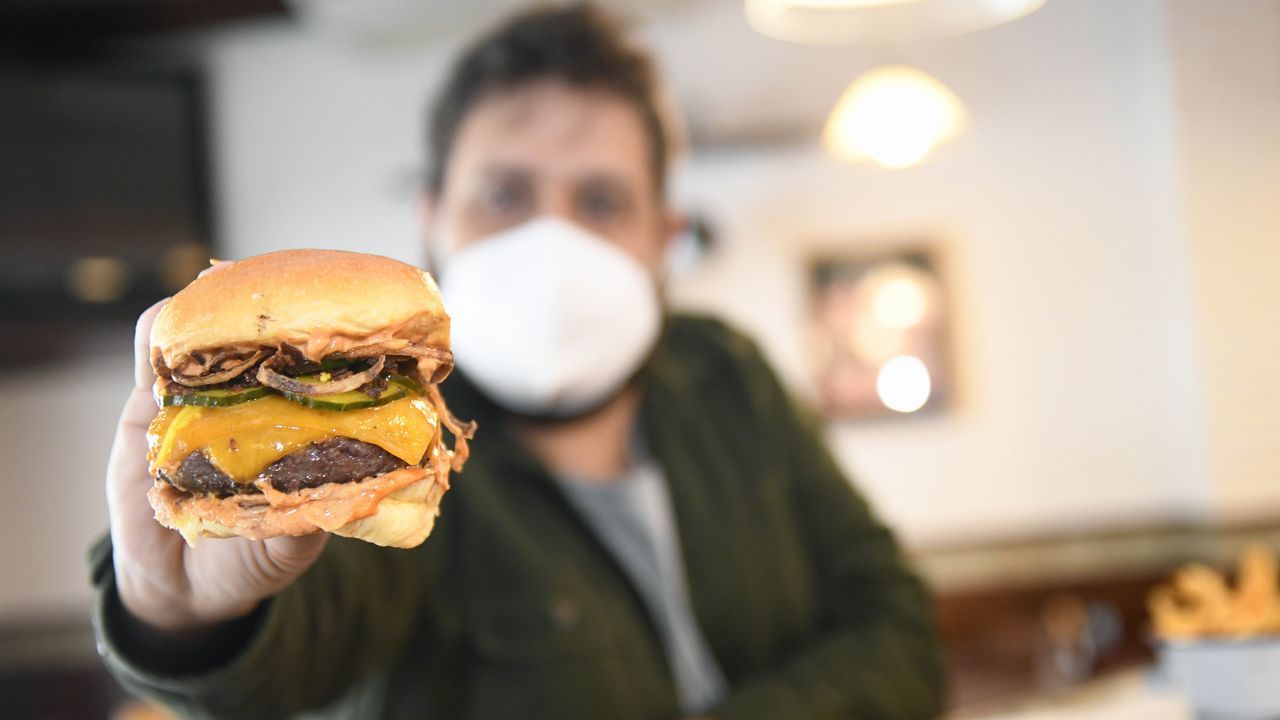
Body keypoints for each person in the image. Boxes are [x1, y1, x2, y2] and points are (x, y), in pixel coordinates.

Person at [90, 4, 945, 718]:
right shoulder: (393, 447)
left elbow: (898, 630)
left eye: (602, 200)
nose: (552, 240)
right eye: (504, 194)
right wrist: (182, 615)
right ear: (434, 220)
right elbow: (305, 636)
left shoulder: (728, 373)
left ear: (664, 240)